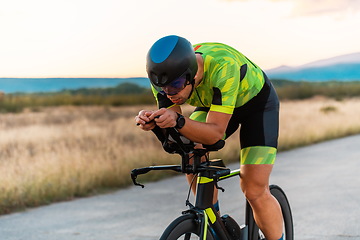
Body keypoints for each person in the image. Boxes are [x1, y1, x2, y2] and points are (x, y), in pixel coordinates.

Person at [135, 35, 283, 240]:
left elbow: (215, 134)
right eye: (162, 87)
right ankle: (213, 222)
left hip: (256, 107)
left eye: (176, 85)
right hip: (214, 104)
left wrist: (177, 121)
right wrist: (155, 124)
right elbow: (176, 136)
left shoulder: (224, 67)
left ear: (192, 75)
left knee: (254, 188)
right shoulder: (164, 78)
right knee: (190, 149)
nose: (169, 93)